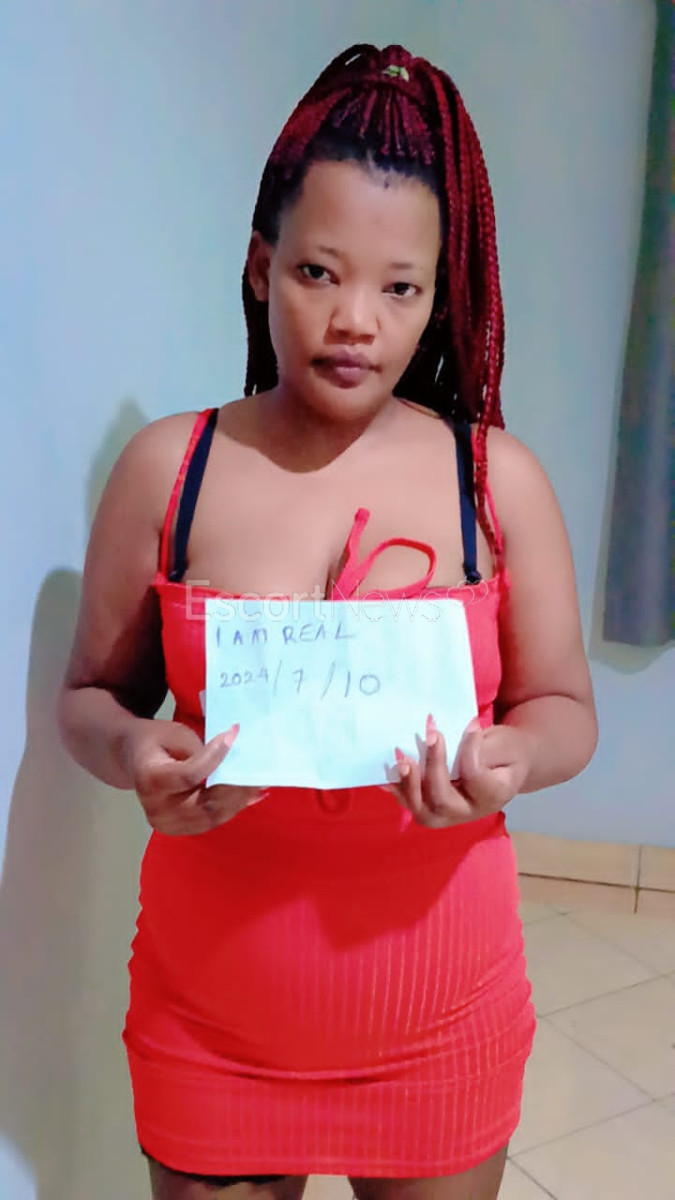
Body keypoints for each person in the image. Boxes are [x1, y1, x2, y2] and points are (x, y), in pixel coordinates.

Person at [57, 42, 598, 1200]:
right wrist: (135, 751)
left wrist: (511, 759)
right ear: (262, 268)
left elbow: (563, 709)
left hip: (440, 1018)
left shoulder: (495, 483)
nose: (356, 320)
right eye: (318, 272)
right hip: (212, 1019)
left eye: (400, 288)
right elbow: (89, 700)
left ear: (440, 294)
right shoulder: (171, 471)